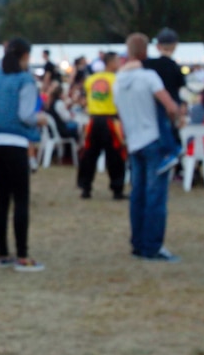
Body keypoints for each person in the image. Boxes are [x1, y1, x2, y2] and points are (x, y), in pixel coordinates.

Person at [114, 33, 181, 262]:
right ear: (144, 53)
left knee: (138, 195)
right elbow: (170, 106)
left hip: (133, 141)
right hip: (153, 139)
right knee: (156, 196)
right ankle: (153, 246)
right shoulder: (149, 77)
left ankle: (138, 243)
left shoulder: (118, 82)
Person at [0, 37, 47, 272]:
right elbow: (26, 115)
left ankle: (2, 253)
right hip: (15, 142)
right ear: (26, 56)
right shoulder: (25, 80)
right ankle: (22, 255)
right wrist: (41, 118)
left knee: (2, 198)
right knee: (21, 199)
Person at [76, 52, 127, 200]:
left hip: (93, 120)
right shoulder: (117, 80)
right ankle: (117, 189)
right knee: (116, 155)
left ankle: (85, 187)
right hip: (110, 120)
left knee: (89, 154)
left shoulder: (91, 79)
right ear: (111, 63)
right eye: (117, 61)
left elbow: (84, 97)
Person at [143, 27, 186, 175]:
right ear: (175, 46)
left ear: (158, 46)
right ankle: (175, 165)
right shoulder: (174, 67)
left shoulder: (149, 64)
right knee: (171, 136)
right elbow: (181, 89)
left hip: (150, 109)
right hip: (171, 108)